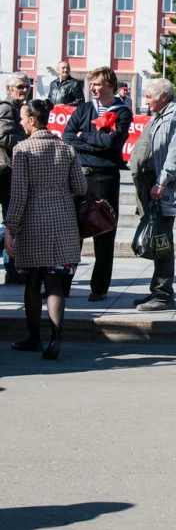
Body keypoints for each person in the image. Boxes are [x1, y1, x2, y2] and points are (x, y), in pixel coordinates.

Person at [4, 98, 87, 359]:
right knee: (54, 285)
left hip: (33, 223)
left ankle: (34, 339)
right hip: (63, 222)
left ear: (31, 120)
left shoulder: (23, 149)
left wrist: (10, 228)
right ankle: (56, 339)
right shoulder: (66, 148)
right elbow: (81, 188)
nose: (19, 121)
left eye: (22, 117)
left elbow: (18, 194)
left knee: (32, 282)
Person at [62, 67, 132, 302]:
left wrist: (84, 137)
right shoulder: (83, 108)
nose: (92, 87)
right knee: (72, 234)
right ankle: (63, 285)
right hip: (78, 176)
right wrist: (93, 145)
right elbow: (68, 136)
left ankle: (99, 288)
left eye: (98, 83)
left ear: (110, 85)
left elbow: (113, 143)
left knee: (104, 232)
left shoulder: (122, 111)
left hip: (105, 177)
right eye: (91, 83)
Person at [130, 78, 176, 312]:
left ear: (163, 97)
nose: (145, 101)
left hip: (167, 190)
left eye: (149, 96)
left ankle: (162, 294)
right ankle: (158, 292)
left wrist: (161, 182)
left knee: (161, 241)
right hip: (155, 189)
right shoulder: (160, 114)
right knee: (159, 239)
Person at [0, 72, 31, 284]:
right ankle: (12, 269)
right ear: (9, 89)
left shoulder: (21, 108)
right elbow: (2, 136)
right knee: (11, 222)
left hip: (11, 171)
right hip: (4, 170)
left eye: (27, 86)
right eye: (20, 86)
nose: (24, 90)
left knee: (13, 222)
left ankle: (13, 270)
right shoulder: (6, 107)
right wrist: (28, 140)